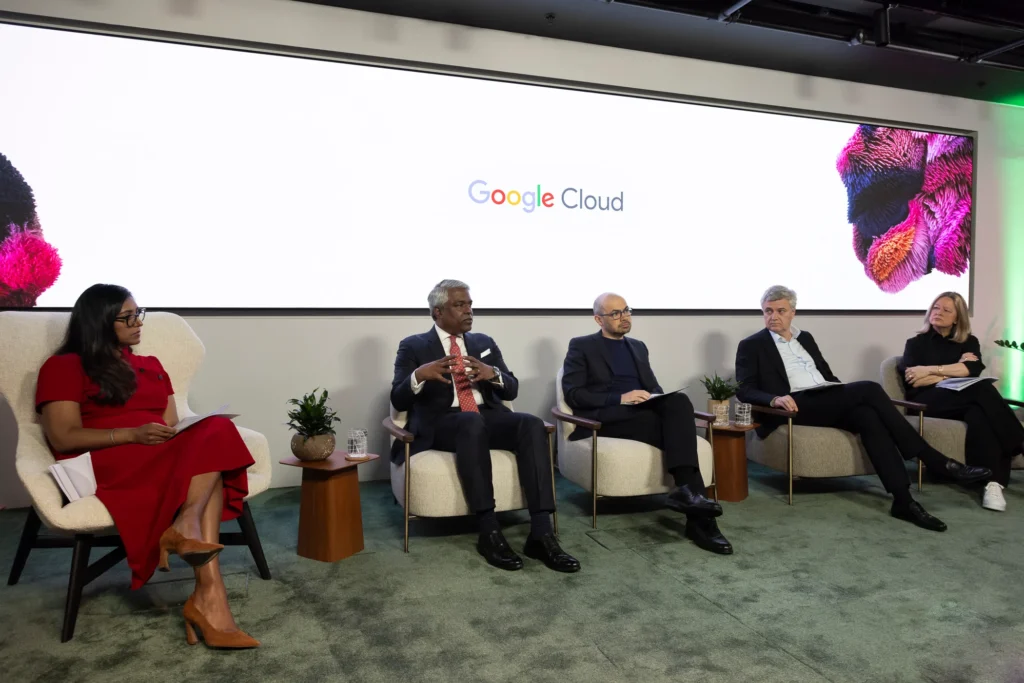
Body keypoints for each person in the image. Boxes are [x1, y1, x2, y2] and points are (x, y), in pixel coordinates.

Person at [36, 284, 259, 648]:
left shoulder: (151, 365)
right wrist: (129, 435)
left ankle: (202, 574)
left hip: (155, 452)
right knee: (214, 450)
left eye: (139, 314)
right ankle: (209, 598)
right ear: (99, 322)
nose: (138, 323)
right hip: (110, 457)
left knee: (215, 430)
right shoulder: (63, 366)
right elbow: (62, 436)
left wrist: (168, 435)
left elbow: (170, 422)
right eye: (127, 317)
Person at [735, 285, 991, 532]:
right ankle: (934, 460)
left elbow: (826, 375)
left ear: (793, 312)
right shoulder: (752, 345)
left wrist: (840, 391)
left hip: (823, 396)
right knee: (868, 388)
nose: (773, 316)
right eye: (768, 311)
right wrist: (774, 399)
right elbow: (744, 389)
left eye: (780, 311)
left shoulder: (806, 338)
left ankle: (904, 501)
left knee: (868, 416)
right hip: (792, 403)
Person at [390, 279, 580, 573]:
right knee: (470, 421)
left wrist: (493, 374)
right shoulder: (413, 345)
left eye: (470, 304)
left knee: (530, 424)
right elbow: (397, 397)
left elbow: (512, 390)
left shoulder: (483, 343)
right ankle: (489, 531)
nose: (469, 311)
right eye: (459, 305)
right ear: (437, 312)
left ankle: (541, 533)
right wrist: (419, 375)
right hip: (443, 424)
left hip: (485, 416)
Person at [561, 293, 732, 555]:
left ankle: (688, 496)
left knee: (679, 403)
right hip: (606, 417)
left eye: (626, 311)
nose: (624, 317)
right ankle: (702, 521)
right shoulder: (581, 346)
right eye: (615, 313)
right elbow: (574, 394)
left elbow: (653, 386)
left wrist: (655, 397)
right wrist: (621, 397)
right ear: (598, 319)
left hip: (640, 413)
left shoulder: (637, 346)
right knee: (679, 431)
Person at [899, 291, 1024, 511]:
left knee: (979, 414)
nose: (938, 313)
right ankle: (1018, 442)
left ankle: (992, 484)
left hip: (960, 400)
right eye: (936, 308)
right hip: (927, 402)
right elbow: (914, 380)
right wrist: (956, 370)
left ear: (957, 318)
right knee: (982, 389)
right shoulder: (915, 343)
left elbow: (972, 369)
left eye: (946, 310)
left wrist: (930, 370)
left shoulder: (968, 342)